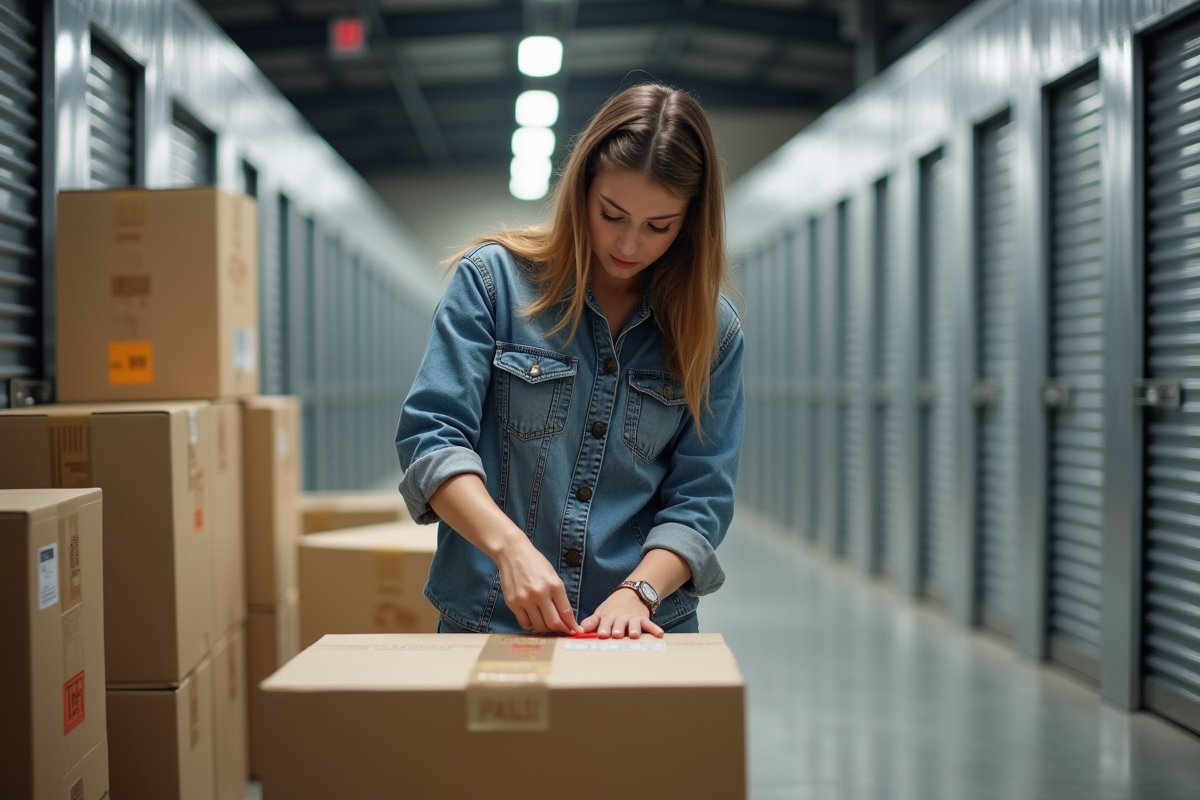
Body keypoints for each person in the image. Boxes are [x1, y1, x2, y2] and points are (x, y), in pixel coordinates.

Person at [395, 83, 745, 638]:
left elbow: (702, 494)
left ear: (691, 221)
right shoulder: (493, 284)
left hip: (641, 628)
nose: (629, 244)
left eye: (660, 226)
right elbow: (432, 441)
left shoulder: (713, 331)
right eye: (612, 214)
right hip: (493, 618)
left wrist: (640, 591)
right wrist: (510, 548)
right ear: (581, 189)